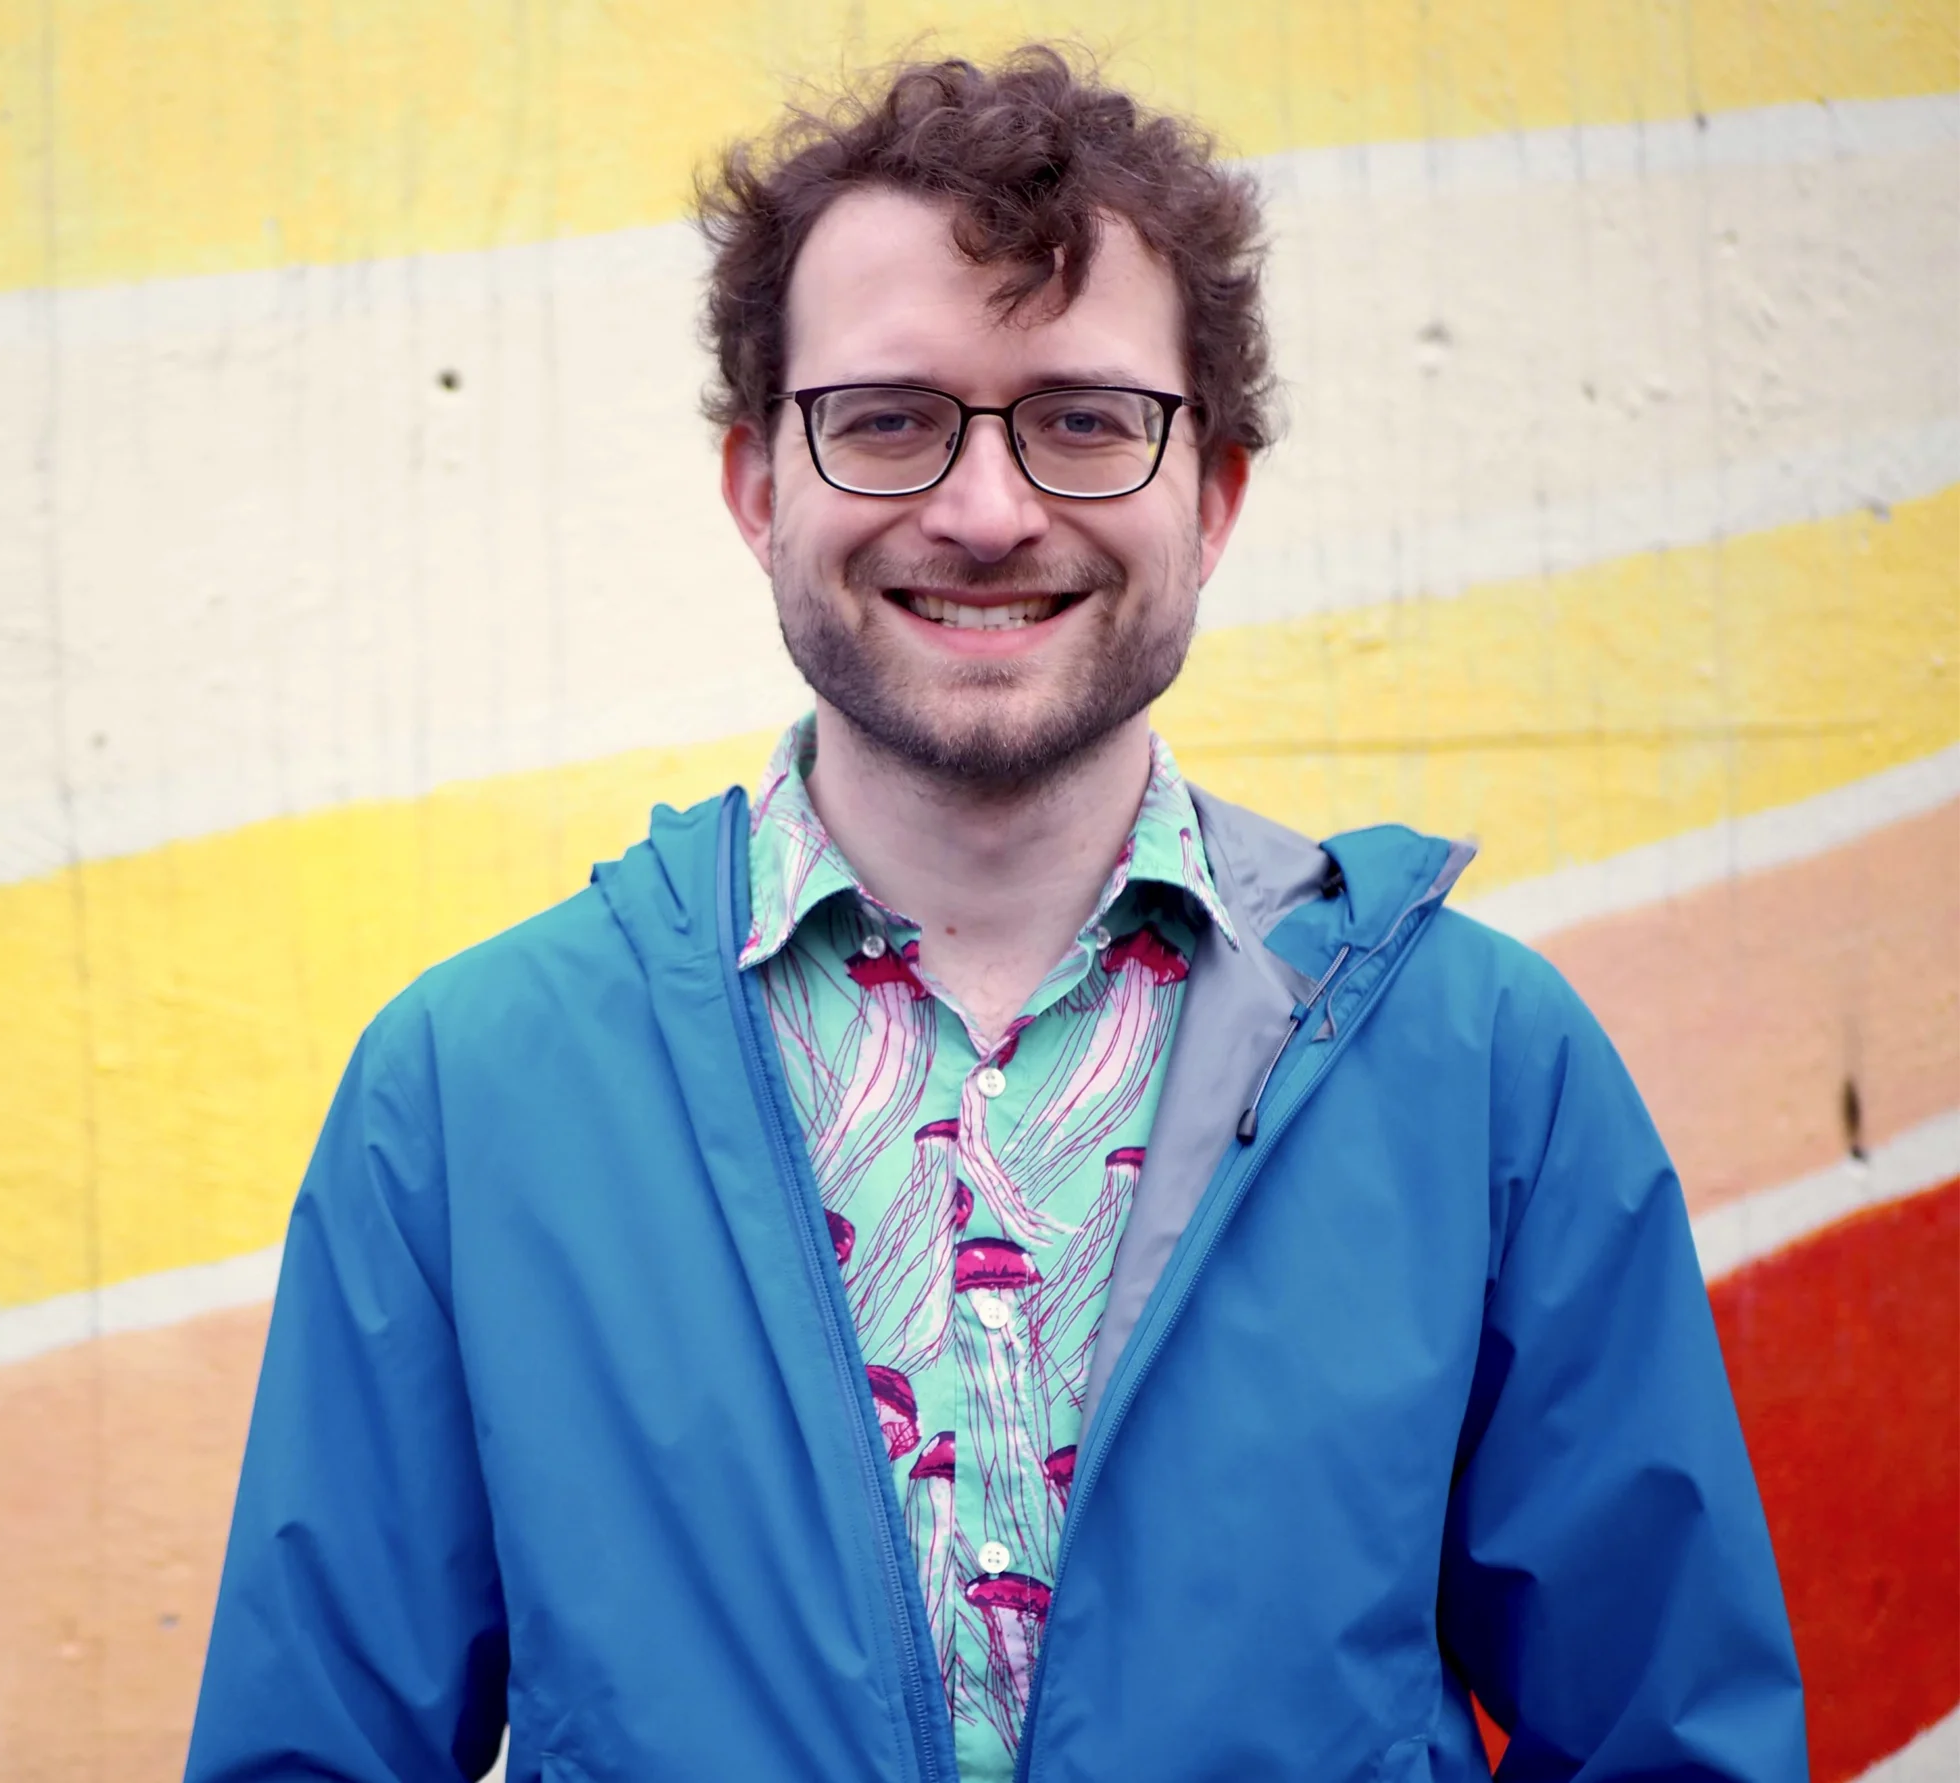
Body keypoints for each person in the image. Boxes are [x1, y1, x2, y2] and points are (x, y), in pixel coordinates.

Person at [183, 46, 1805, 1783]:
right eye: (887, 417)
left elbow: (1668, 1744)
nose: (984, 508)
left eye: (1085, 421)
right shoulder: (467, 1090)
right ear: (757, 487)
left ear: (1218, 494)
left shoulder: (1487, 1069)